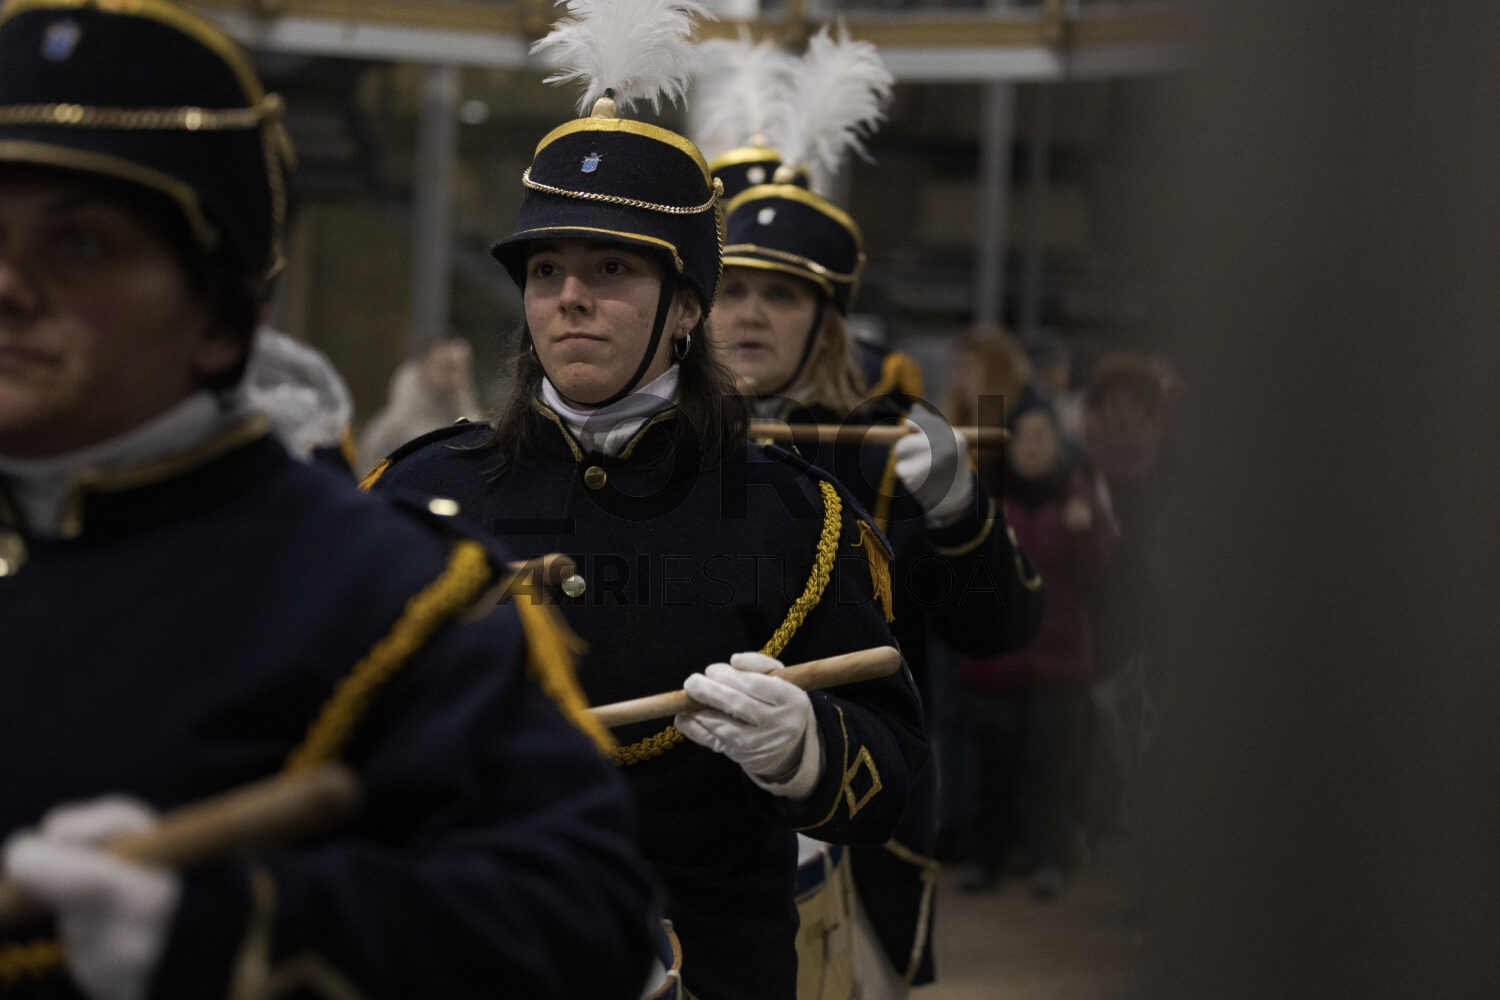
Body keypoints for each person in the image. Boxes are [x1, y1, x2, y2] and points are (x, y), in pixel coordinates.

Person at [0, 3, 656, 997]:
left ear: (224, 320)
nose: (8, 286)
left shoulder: (392, 594)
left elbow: (583, 922)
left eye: (80, 246)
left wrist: (247, 931)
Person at [364, 5, 928, 999]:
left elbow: (898, 781)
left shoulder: (794, 517)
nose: (569, 297)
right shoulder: (415, 492)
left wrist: (806, 750)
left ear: (687, 307)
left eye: (611, 269)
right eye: (546, 270)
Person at [703, 29, 1045, 994]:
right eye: (731, 289)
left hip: (849, 833)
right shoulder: (652, 439)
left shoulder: (890, 447)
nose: (751, 314)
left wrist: (962, 512)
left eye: (781, 294)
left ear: (827, 320)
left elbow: (1003, 626)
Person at [955, 389, 1114, 899]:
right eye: (1022, 435)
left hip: (1058, 657)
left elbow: (1102, 577)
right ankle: (986, 857)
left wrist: (1084, 531)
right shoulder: (986, 497)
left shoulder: (1079, 496)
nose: (1031, 445)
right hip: (995, 660)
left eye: (1042, 435)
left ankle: (1048, 858)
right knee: (994, 769)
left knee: (1050, 769)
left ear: (1058, 443)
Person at [356, 336, 479, 473]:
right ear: (423, 367)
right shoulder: (394, 428)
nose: (457, 376)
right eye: (447, 366)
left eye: (463, 368)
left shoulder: (474, 421)